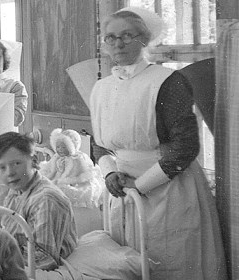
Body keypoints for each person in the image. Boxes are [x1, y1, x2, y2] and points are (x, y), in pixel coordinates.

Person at [91, 7, 226, 279]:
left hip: (169, 189)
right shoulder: (101, 88)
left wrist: (140, 185)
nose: (118, 43)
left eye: (127, 35)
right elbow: (99, 144)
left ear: (145, 39)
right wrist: (109, 174)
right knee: (130, 263)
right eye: (111, 37)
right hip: (123, 191)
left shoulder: (166, 81)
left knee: (172, 261)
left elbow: (185, 146)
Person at [0, 132, 77, 271]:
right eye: (2, 167)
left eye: (16, 163)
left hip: (42, 266)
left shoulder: (45, 199)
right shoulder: (17, 188)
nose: (9, 173)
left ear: (34, 161)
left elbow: (46, 260)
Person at [40, 128, 100, 208]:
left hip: (71, 181)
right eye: (58, 147)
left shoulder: (77, 158)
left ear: (71, 146)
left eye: (63, 147)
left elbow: (80, 173)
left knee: (69, 191)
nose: (60, 150)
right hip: (58, 178)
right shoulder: (56, 157)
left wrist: (70, 181)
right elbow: (50, 169)